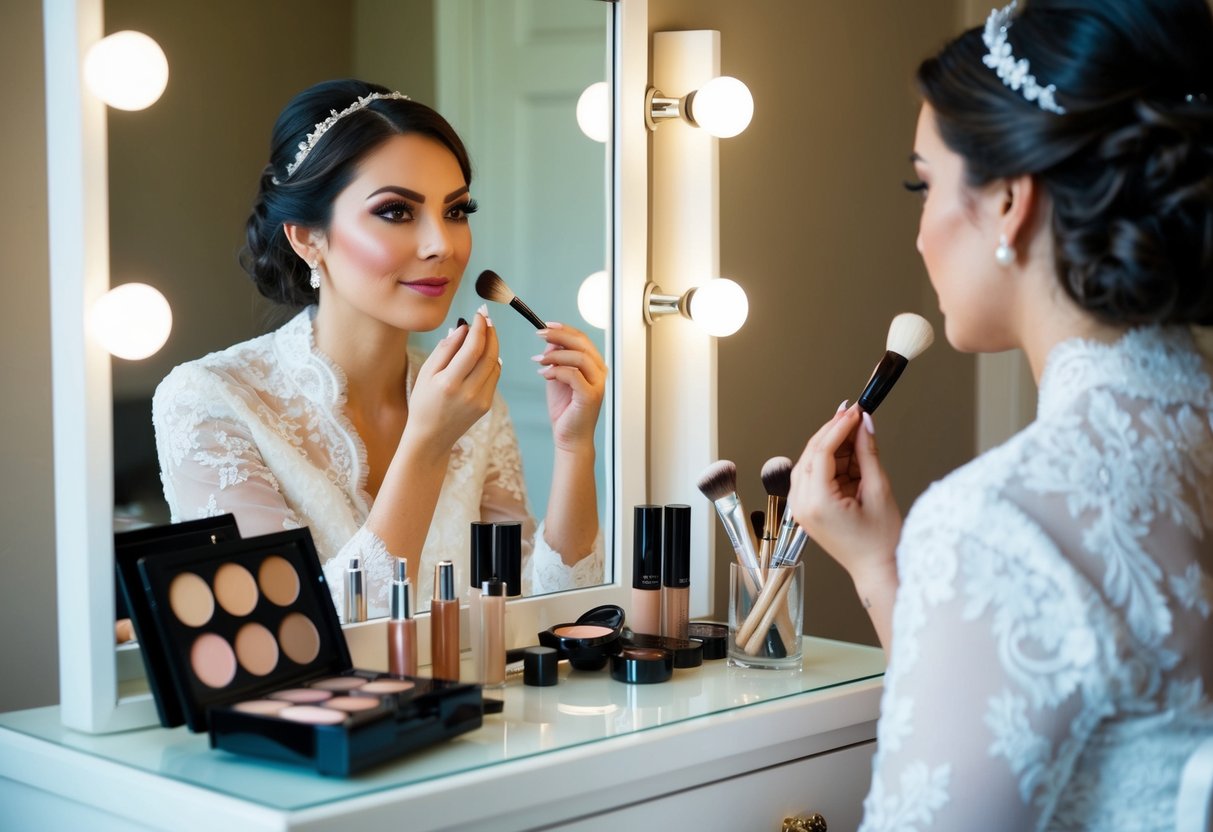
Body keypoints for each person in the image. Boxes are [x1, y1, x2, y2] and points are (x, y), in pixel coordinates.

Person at [787, 0, 1213, 828]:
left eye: (925, 183)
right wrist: (882, 569)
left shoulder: (997, 523)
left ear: (1012, 201)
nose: (917, 235)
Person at [153, 79, 605, 617]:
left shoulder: (473, 409)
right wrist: (427, 444)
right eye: (396, 211)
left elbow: (546, 618)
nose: (442, 244)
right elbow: (299, 638)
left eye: (457, 210)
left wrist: (574, 449)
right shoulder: (211, 401)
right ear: (306, 238)